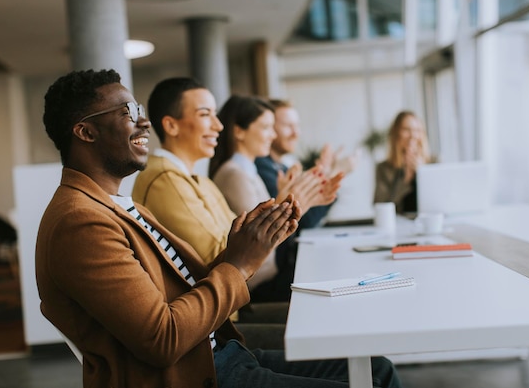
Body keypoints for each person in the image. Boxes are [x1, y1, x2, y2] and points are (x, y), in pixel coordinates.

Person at [36, 69, 402, 388]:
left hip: (217, 353)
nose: (143, 122)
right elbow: (162, 338)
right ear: (85, 132)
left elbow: (185, 285)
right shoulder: (80, 222)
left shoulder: (119, 204)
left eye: (141, 111)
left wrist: (249, 244)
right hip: (194, 373)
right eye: (128, 112)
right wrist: (239, 264)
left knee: (377, 371)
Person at [131, 77, 287, 327]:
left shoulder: (198, 180)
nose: (218, 126)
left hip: (226, 313)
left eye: (215, 114)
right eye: (205, 115)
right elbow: (225, 257)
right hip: (211, 328)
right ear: (171, 126)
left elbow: (239, 243)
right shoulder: (164, 179)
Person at [208, 95, 344, 301]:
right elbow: (260, 241)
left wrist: (297, 201)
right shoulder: (234, 175)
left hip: (266, 276)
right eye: (265, 128)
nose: (272, 136)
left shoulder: (247, 172)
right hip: (258, 285)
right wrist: (290, 203)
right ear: (239, 132)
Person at [255, 98, 358, 229]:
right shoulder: (262, 167)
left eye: (297, 126)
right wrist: (334, 173)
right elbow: (304, 221)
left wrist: (326, 172)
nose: (296, 133)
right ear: (270, 127)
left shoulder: (284, 167)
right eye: (288, 126)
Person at [374, 110, 432, 214]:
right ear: (396, 134)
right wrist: (406, 180)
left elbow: (441, 201)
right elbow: (380, 207)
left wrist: (423, 172)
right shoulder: (384, 168)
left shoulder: (434, 163)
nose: (413, 135)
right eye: (407, 130)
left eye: (417, 130)